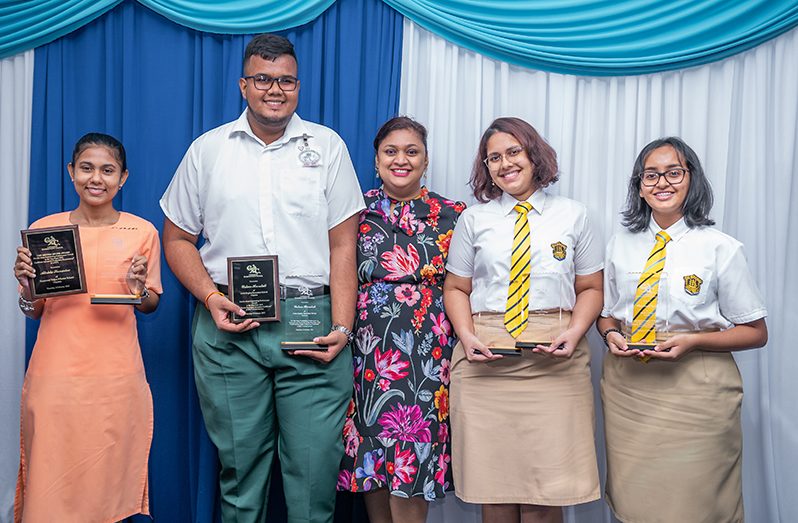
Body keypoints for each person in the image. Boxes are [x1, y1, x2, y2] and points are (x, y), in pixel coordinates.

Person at [160, 33, 364, 523]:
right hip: (230, 322)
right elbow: (176, 239)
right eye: (263, 79)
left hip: (310, 320)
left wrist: (342, 326)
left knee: (315, 476)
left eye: (286, 80)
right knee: (240, 474)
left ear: (298, 85)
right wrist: (209, 298)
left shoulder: (328, 146)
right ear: (243, 85)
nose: (276, 89)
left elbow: (343, 245)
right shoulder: (207, 151)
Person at [597, 137, 768, 523]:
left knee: (700, 504)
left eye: (674, 172)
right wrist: (610, 335)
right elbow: (606, 314)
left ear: (692, 179)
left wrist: (693, 341)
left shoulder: (720, 247)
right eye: (651, 175)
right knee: (636, 504)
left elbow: (756, 331)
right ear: (639, 186)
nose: (662, 183)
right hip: (630, 390)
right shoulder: (620, 243)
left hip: (698, 390)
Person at [443, 117, 602, 523]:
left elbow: (591, 289)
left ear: (534, 154)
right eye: (493, 157)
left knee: (545, 494)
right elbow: (456, 289)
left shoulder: (575, 215)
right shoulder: (474, 220)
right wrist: (466, 335)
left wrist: (574, 332)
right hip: (485, 364)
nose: (504, 164)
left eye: (513, 152)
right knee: (492, 490)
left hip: (555, 364)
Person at [13, 133, 161, 521]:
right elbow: (32, 310)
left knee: (106, 495)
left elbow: (150, 305)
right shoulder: (46, 230)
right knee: (49, 491)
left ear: (123, 178)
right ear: (71, 173)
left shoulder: (142, 232)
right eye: (87, 168)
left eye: (108, 170)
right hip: (55, 382)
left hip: (115, 384)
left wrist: (139, 287)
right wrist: (28, 285)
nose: (97, 178)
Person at [337, 117, 465, 522]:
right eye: (391, 151)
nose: (401, 160)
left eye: (411, 151)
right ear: (376, 160)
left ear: (426, 161)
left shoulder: (454, 214)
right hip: (367, 354)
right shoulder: (353, 211)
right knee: (372, 460)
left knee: (413, 454)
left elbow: (468, 285)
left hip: (426, 355)